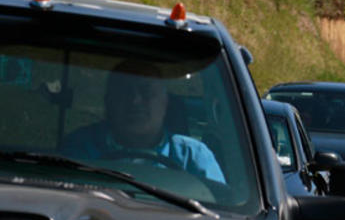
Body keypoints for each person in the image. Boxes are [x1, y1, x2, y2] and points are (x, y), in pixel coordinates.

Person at [61, 61, 225, 183]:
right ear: (109, 101)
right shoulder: (79, 149)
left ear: (165, 102)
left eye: (146, 91)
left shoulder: (194, 158)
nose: (135, 100)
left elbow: (221, 217)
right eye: (124, 91)